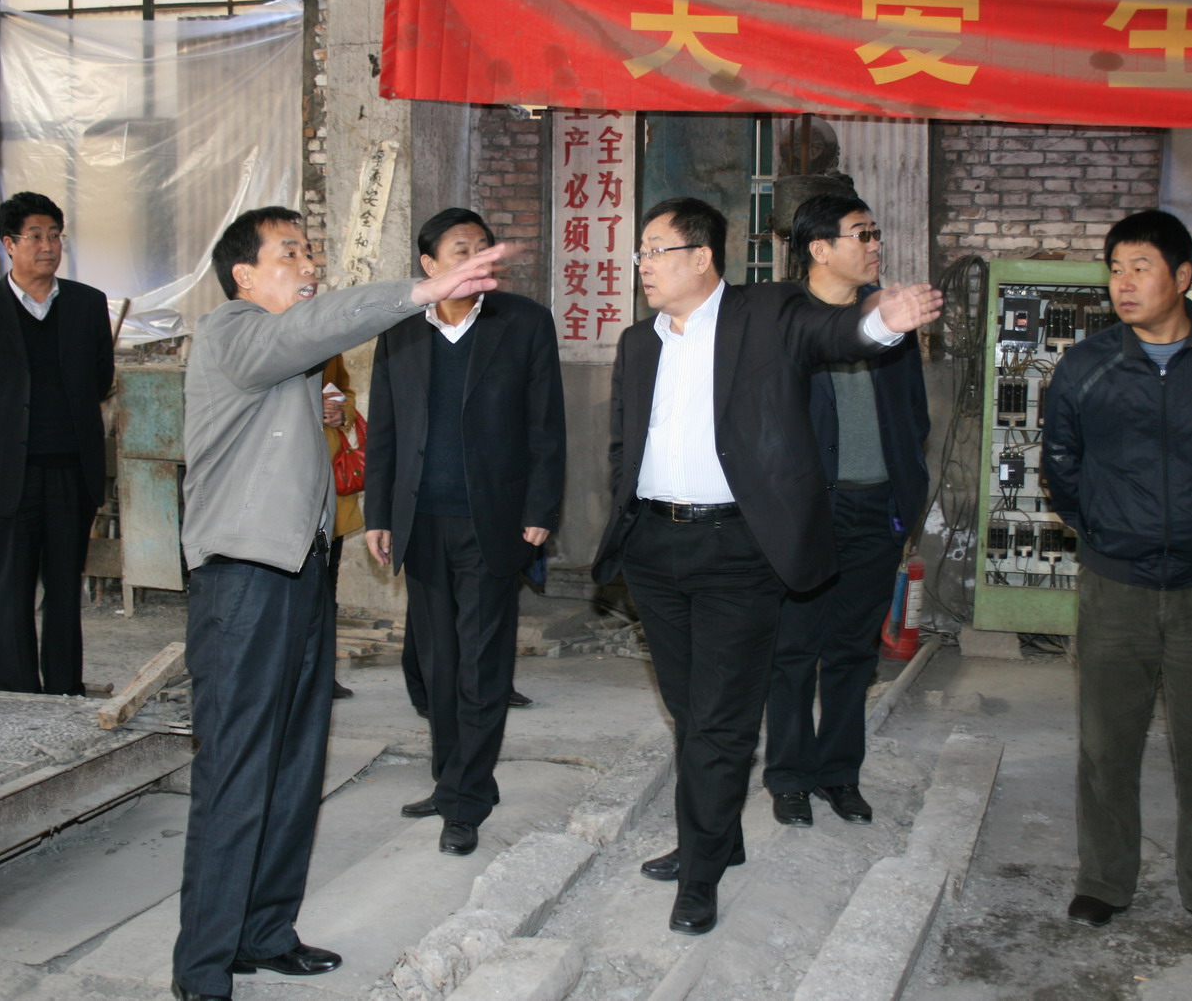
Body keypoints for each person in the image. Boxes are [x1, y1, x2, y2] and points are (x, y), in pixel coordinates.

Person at [173, 206, 508, 1001]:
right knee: (235, 769)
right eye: (289, 252)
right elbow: (312, 326)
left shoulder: (287, 356)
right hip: (242, 582)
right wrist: (422, 290)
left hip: (298, 575)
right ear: (244, 275)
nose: (308, 263)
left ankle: (265, 933)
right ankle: (203, 968)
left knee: (295, 762)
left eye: (309, 250)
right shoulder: (230, 331)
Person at [591, 197, 941, 936]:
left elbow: (835, 332)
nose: (642, 265)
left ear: (700, 257)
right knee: (691, 711)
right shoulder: (638, 343)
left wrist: (883, 322)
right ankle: (719, 835)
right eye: (640, 252)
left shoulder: (766, 314)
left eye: (655, 250)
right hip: (654, 550)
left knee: (721, 722)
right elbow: (624, 443)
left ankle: (701, 872)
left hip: (736, 550)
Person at [1041, 208, 1192, 949]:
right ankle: (1103, 882)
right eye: (1115, 269)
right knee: (1106, 748)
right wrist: (1108, 531)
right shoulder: (1088, 366)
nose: (1123, 283)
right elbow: (1061, 468)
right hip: (1116, 587)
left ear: (1182, 277)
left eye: (1139, 268)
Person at [364, 207, 566, 858]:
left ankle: (466, 801)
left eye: (484, 247)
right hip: (420, 523)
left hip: (493, 522)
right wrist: (378, 514)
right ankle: (452, 776)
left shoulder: (523, 323)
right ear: (429, 264)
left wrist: (541, 508)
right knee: (438, 664)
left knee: (481, 665)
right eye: (461, 249)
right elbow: (385, 429)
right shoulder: (401, 328)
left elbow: (546, 425)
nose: (477, 258)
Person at [762, 192, 930, 829]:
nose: (875, 245)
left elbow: (913, 413)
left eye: (876, 233)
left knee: (854, 652)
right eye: (862, 234)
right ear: (820, 249)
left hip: (875, 508)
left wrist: (904, 493)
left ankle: (839, 774)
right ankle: (788, 778)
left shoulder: (889, 313)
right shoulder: (781, 319)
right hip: (806, 514)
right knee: (793, 650)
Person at [0, 191, 113, 696]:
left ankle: (64, 689)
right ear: (9, 244)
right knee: (10, 591)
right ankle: (15, 696)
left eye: (55, 235)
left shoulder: (86, 304)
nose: (48, 246)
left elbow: (100, 378)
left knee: (64, 590)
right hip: (7, 475)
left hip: (71, 472)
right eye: (35, 236)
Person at [321, 353, 360, 700]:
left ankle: (321, 674)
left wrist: (340, 411)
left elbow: (344, 389)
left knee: (324, 589)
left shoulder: (327, 342)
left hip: (328, 488)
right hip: (284, 487)